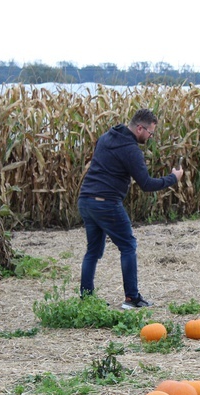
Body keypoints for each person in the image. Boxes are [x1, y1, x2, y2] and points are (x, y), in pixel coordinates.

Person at [77, 109, 183, 309]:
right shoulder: (130, 149)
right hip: (106, 202)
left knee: (93, 251)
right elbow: (146, 184)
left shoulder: (107, 137)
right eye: (150, 133)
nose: (150, 137)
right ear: (140, 128)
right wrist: (173, 178)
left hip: (86, 200)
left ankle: (87, 299)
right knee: (128, 246)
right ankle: (131, 298)